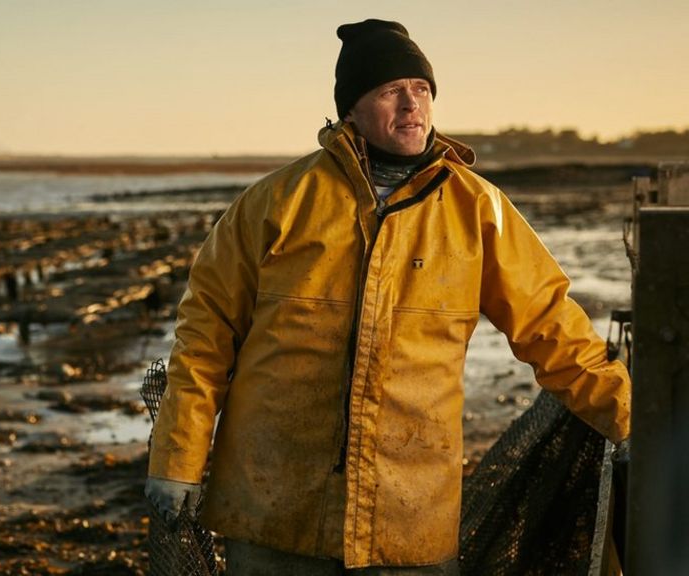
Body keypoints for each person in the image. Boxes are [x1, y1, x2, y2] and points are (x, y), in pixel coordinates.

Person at [144, 19, 631, 576]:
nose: (412, 105)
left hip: (409, 522)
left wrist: (633, 422)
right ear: (351, 108)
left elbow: (555, 332)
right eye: (390, 91)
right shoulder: (273, 204)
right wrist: (177, 460)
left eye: (421, 90)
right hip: (277, 515)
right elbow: (204, 339)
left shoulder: (477, 211)